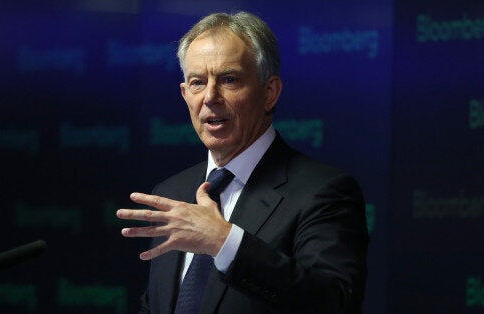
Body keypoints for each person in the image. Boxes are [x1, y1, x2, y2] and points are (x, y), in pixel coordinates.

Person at [117, 11, 368, 314]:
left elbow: (335, 303)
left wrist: (224, 241)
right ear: (185, 95)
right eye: (197, 82)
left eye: (229, 80)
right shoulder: (172, 193)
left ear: (269, 92)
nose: (210, 96)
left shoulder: (323, 192)